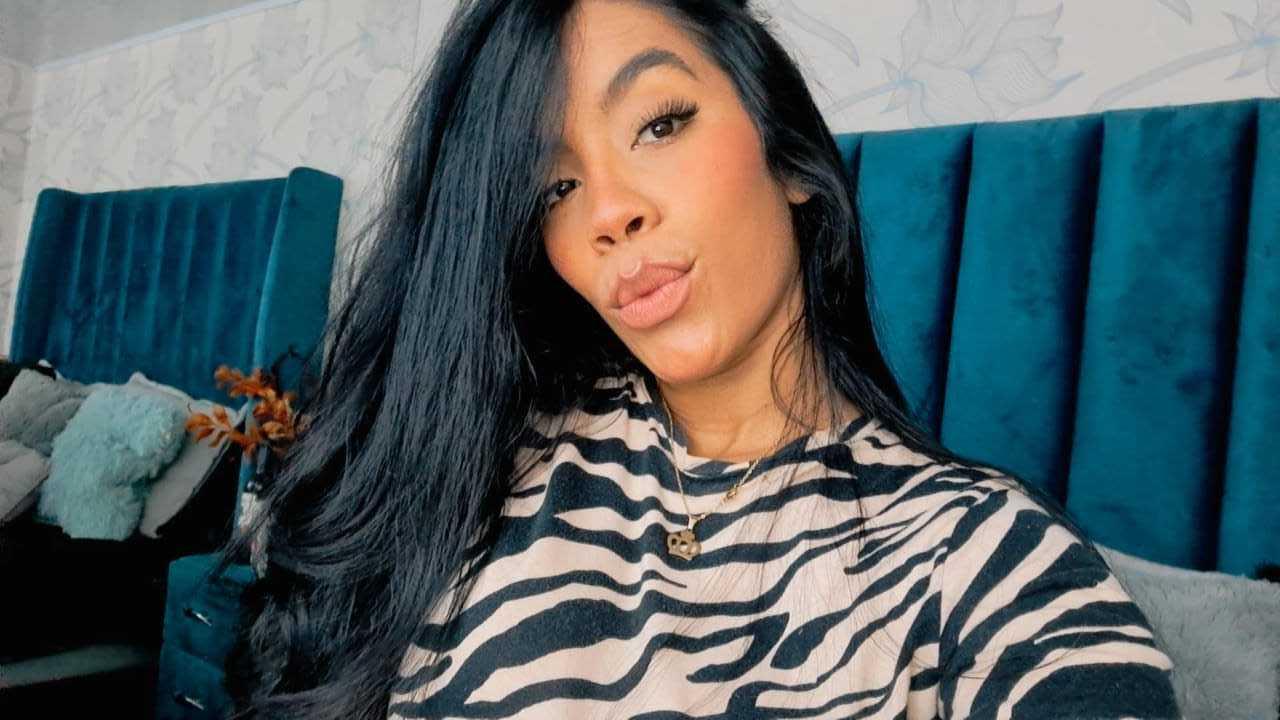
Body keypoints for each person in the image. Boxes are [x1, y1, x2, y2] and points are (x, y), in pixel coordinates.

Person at [219, 1, 1181, 718]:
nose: (609, 211)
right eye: (553, 187)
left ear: (789, 157)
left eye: (659, 123)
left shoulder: (983, 558)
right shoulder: (476, 460)